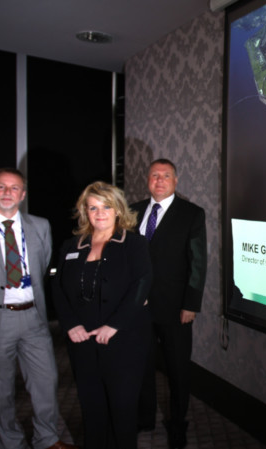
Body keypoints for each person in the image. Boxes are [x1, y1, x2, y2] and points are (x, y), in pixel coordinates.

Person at [0, 167, 75, 449]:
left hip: (34, 319)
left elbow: (42, 265)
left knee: (46, 384)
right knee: (0, 391)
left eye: (14, 187)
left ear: (23, 194)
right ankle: (10, 443)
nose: (8, 192)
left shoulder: (40, 226)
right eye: (1, 187)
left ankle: (47, 439)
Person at [52, 181, 153, 449]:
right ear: (85, 211)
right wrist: (70, 324)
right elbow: (58, 288)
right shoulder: (72, 245)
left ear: (118, 210)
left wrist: (114, 325)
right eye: (93, 207)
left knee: (122, 410)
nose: (100, 213)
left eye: (106, 206)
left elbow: (141, 285)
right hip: (82, 340)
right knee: (91, 407)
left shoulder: (134, 244)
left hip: (124, 340)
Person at [132, 159, 207, 449]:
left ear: (176, 181)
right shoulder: (133, 211)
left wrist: (191, 304)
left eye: (166, 176)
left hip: (176, 309)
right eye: (154, 176)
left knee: (177, 369)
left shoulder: (191, 214)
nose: (159, 180)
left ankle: (178, 424)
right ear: (147, 180)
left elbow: (198, 263)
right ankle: (145, 417)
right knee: (142, 365)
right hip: (137, 308)